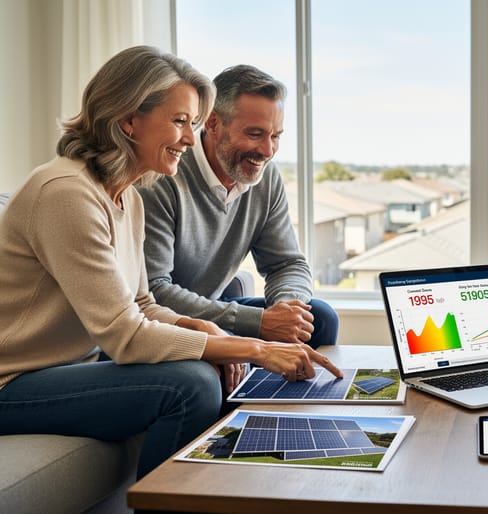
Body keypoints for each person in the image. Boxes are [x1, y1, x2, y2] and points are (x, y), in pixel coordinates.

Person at [0, 46, 343, 480]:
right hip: (14, 382)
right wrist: (254, 345)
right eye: (181, 121)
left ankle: (261, 465)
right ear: (128, 120)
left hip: (78, 363)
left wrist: (203, 327)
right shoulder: (66, 192)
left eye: (193, 123)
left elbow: (142, 303)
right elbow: (125, 333)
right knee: (192, 384)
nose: (189, 137)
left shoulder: (125, 194)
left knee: (308, 321)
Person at [138, 64, 338, 349]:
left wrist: (287, 310)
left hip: (214, 308)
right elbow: (155, 292)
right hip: (168, 322)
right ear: (212, 124)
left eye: (276, 136)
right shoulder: (162, 176)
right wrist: (258, 322)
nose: (267, 151)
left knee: (320, 318)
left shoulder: (266, 177)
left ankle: (287, 394)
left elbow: (287, 263)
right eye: (255, 134)